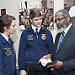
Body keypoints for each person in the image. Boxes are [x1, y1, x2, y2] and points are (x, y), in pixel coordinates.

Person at [18, 8, 54, 75]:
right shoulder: (25, 33)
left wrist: (50, 57)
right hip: (30, 65)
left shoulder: (47, 32)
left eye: (40, 19)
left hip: (44, 66)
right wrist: (22, 68)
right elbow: (21, 52)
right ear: (31, 20)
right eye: (36, 20)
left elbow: (52, 49)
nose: (39, 22)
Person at [41, 9, 75, 75]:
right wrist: (50, 56)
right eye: (55, 20)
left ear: (67, 18)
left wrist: (63, 64)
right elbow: (59, 53)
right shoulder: (58, 35)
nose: (57, 22)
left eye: (59, 19)